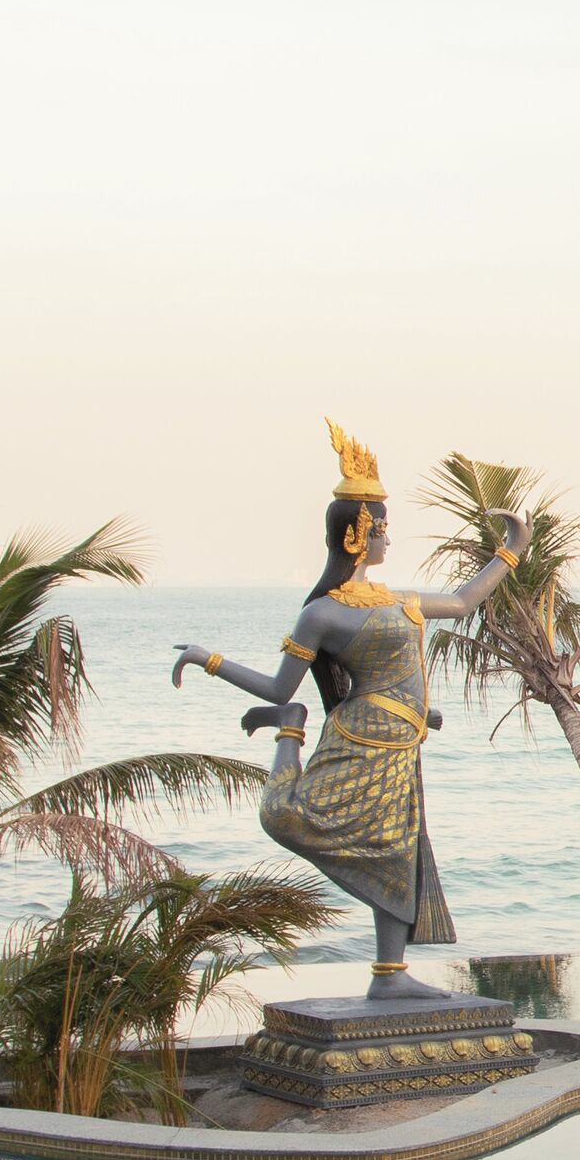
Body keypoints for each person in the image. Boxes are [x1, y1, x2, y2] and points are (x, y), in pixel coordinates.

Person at [173, 420, 527, 1003]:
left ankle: (389, 975)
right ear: (359, 535)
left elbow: (465, 601)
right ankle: (290, 734)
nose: (389, 538)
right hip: (358, 739)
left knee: (397, 851)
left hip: (401, 746)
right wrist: (208, 659)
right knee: (286, 818)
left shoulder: (399, 599)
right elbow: (276, 683)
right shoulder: (322, 615)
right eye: (383, 529)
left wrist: (511, 552)